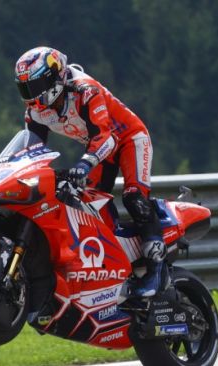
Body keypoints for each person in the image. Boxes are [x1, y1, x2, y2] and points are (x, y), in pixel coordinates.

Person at [14, 46, 166, 297]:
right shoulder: (36, 111)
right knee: (87, 205)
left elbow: (105, 138)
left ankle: (156, 270)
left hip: (128, 139)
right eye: (24, 89)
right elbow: (32, 150)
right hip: (99, 148)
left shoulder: (85, 90)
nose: (30, 95)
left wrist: (84, 164)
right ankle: (115, 266)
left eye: (35, 86)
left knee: (134, 198)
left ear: (54, 77)